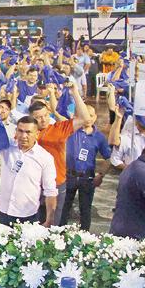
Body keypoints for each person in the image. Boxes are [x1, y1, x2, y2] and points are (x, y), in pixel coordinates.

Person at [29, 82, 89, 226]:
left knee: (53, 224)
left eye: (45, 115)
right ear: (31, 118)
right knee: (31, 223)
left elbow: (85, 119)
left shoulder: (58, 128)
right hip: (33, 184)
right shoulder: (26, 132)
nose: (43, 119)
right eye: (38, 117)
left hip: (57, 183)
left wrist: (75, 92)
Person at [0, 116, 58, 226]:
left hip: (27, 217)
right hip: (1, 213)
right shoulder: (7, 147)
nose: (24, 136)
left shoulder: (45, 158)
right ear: (16, 131)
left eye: (28, 132)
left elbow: (50, 191)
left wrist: (49, 220)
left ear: (37, 134)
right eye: (20, 131)